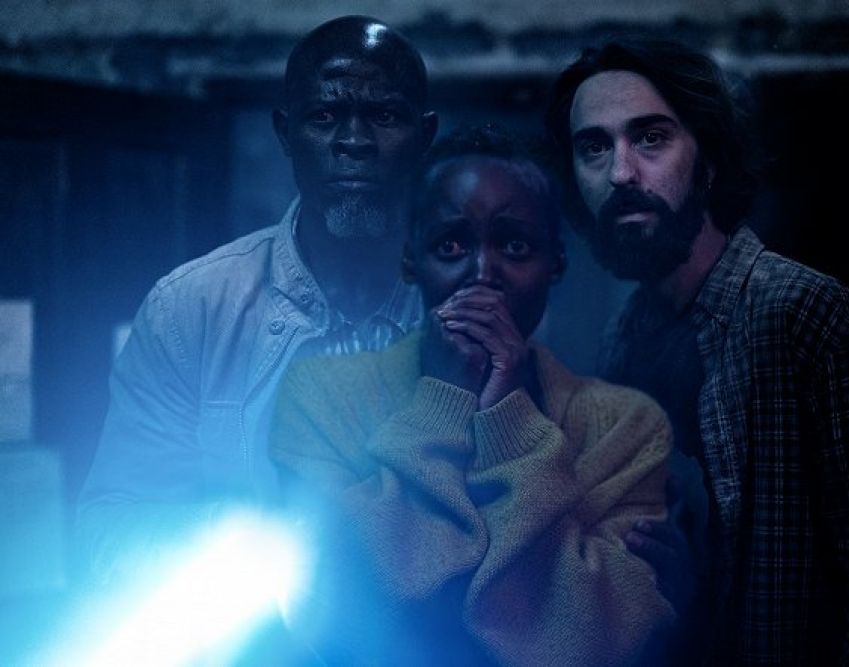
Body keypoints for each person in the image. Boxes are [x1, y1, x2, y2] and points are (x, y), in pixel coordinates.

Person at [545, 38, 849, 665]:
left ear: (708, 159)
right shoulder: (626, 334)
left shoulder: (812, 319)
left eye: (651, 138)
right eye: (594, 147)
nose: (621, 173)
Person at [269, 126, 675, 666]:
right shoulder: (321, 397)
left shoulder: (627, 427)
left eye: (515, 246)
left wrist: (507, 417)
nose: (482, 276)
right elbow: (335, 609)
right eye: (451, 246)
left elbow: (596, 645)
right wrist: (443, 400)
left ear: (556, 262)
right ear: (410, 261)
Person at [76, 16, 438, 582]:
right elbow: (111, 529)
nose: (354, 142)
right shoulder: (191, 308)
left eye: (385, 116)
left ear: (425, 135)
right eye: (324, 117)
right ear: (285, 133)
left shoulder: (467, 298)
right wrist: (263, 541)